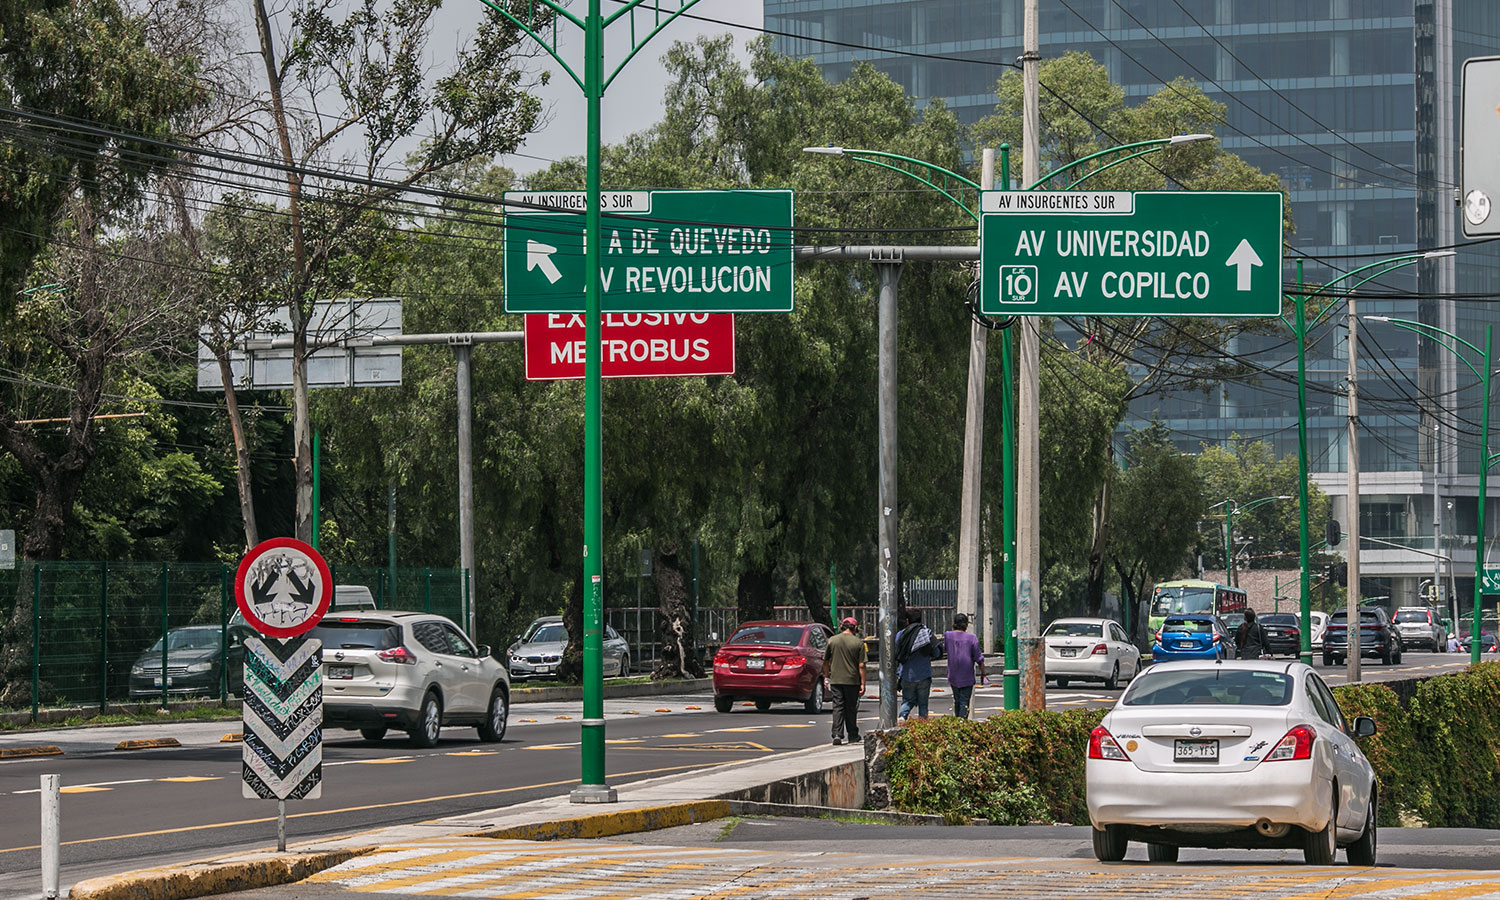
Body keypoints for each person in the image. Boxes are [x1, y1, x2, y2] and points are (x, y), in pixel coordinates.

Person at [825, 617, 866, 746]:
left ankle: (837, 734)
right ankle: (852, 734)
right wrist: (863, 683)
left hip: (836, 680)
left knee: (838, 706)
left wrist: (827, 676)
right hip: (852, 680)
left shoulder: (832, 641)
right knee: (851, 708)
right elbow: (861, 666)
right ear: (854, 628)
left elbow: (825, 662)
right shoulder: (858, 643)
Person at [894, 610, 938, 721]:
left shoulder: (901, 635)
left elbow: (897, 651)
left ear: (907, 621)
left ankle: (902, 718)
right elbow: (937, 652)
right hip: (924, 674)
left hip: (906, 675)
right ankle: (922, 726)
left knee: (908, 701)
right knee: (923, 704)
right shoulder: (926, 633)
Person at [943, 613, 985, 719]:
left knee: (957, 701)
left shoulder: (948, 636)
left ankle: (958, 722)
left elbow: (944, 649)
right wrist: (983, 674)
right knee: (964, 702)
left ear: (954, 624)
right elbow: (979, 658)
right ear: (966, 625)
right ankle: (962, 723)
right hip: (967, 676)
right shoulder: (972, 638)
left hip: (953, 675)